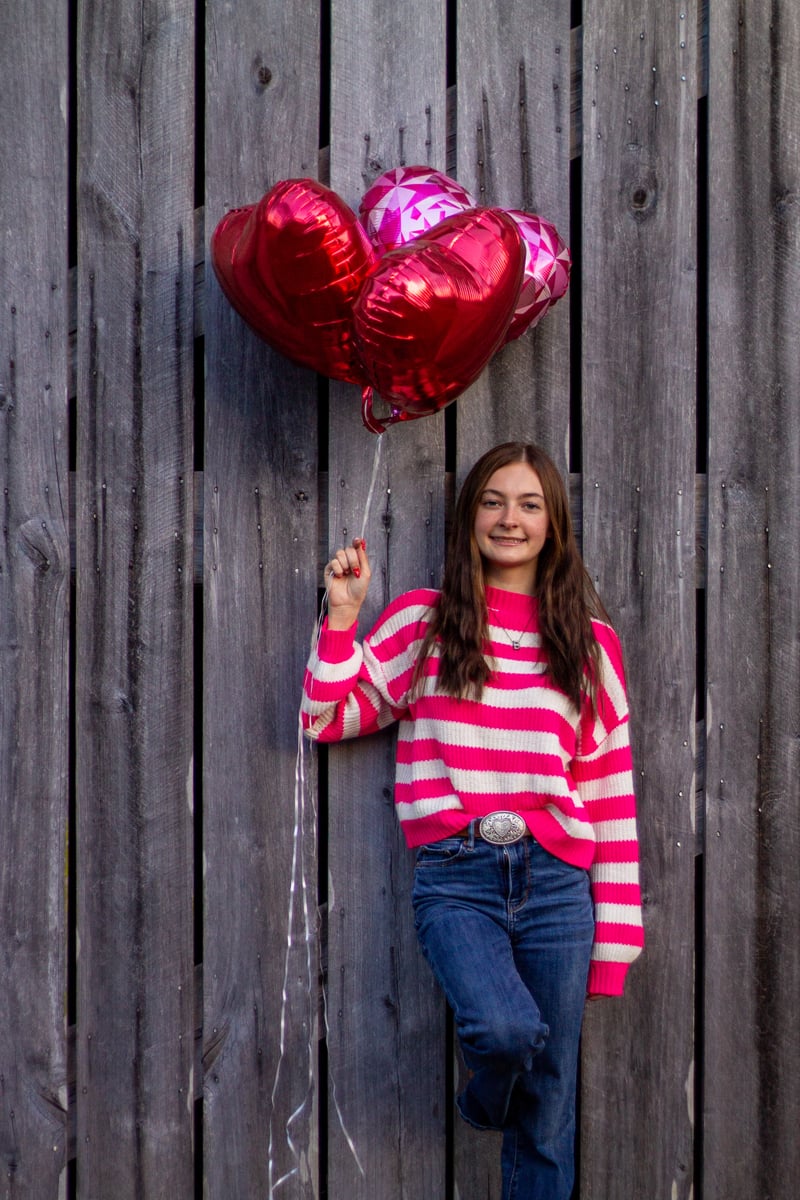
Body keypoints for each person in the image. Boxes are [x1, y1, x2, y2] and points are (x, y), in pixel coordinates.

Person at [302, 441, 643, 1200]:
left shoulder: (588, 643)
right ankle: (482, 1099)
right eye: (493, 501)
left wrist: (616, 941)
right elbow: (326, 717)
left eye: (528, 504)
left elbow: (611, 796)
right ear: (470, 517)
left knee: (549, 1109)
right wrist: (343, 620)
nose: (509, 518)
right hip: (457, 880)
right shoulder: (426, 620)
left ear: (553, 522)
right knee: (508, 1033)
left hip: (559, 885)